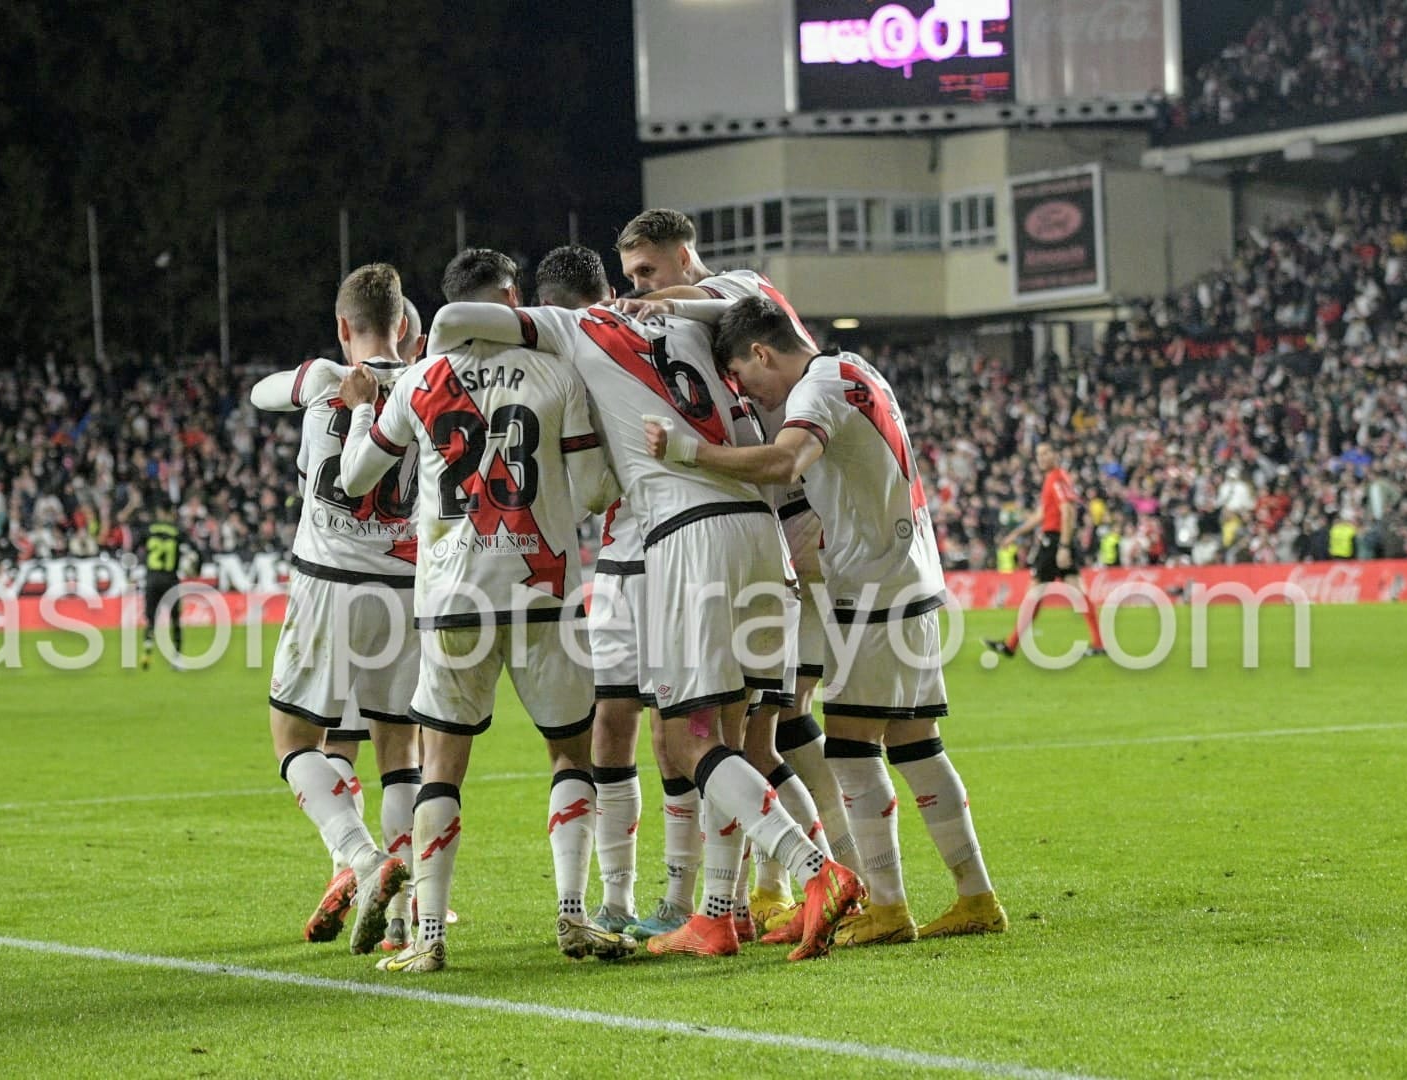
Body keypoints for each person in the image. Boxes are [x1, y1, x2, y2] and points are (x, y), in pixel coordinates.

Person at [427, 245, 863, 962]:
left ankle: (820, 872)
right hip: (761, 534)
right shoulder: (692, 322)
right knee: (726, 733)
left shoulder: (574, 329)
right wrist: (678, 301)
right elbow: (760, 309)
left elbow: (451, 315)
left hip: (690, 541)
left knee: (688, 741)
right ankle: (719, 913)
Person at [643, 294, 1007, 943]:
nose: (749, 396)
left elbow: (785, 461)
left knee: (849, 748)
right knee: (917, 747)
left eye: (745, 379)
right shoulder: (859, 369)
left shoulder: (816, 389)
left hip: (875, 588)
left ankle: (889, 907)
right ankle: (975, 897)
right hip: (912, 576)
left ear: (761, 352)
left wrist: (688, 452)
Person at [335, 248, 631, 973]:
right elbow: (595, 491)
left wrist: (360, 407)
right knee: (569, 753)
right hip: (544, 590)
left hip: (453, 596)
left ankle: (430, 939)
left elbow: (354, 477)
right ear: (511, 298)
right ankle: (572, 914)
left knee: (442, 766)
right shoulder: (558, 371)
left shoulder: (421, 380)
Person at [614, 209, 847, 939]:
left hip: (796, 526)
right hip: (766, 533)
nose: (642, 288)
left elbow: (756, 312)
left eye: (649, 271)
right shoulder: (689, 341)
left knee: (753, 733)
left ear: (685, 256)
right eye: (631, 279)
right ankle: (750, 897)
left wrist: (664, 303)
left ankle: (800, 880)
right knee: (752, 738)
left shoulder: (735, 291)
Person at [246, 263, 420, 953]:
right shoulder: (430, 380)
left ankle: (363, 857)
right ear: (404, 324)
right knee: (400, 751)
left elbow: (262, 394)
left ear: (344, 326)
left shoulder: (322, 380)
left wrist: (315, 377)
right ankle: (407, 916)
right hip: (404, 591)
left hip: (328, 581)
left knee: (292, 740)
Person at [983, 442, 1108, 660]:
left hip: (1054, 541)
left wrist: (1064, 546)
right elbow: (1042, 514)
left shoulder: (1057, 478)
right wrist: (1015, 534)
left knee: (1035, 592)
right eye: (1038, 454)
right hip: (1058, 539)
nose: (1041, 457)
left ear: (1055, 454)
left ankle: (1011, 645)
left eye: (1046, 452)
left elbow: (1067, 511)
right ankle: (1099, 643)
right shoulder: (1055, 479)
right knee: (1077, 590)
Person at [135, 505, 196, 671]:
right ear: (171, 513)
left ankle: (147, 651)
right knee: (175, 619)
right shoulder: (178, 531)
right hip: (170, 579)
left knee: (151, 618)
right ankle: (176, 658)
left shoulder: (149, 529)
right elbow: (193, 549)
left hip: (152, 579)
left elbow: (135, 545)